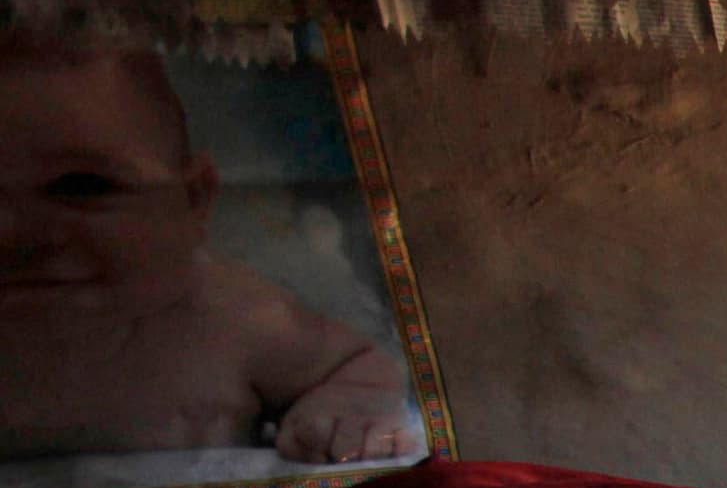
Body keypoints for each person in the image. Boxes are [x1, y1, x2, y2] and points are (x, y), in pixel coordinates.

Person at [0, 33, 418, 466]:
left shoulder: (229, 317)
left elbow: (358, 365)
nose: (10, 233)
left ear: (194, 199)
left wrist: (348, 407)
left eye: (81, 186)